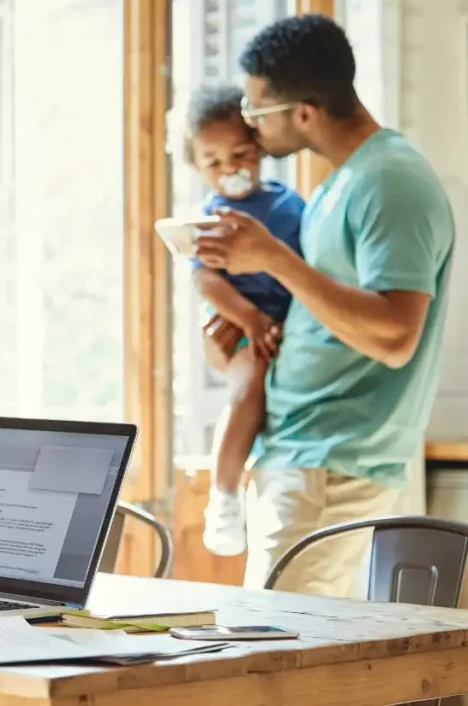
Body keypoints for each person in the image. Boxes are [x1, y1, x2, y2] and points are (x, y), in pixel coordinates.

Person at [195, 14, 454, 597]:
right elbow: (328, 314)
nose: (250, 130)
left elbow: (394, 337)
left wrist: (273, 259)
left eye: (258, 112)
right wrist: (239, 339)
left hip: (330, 460)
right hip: (300, 452)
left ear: (304, 113)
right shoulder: (344, 182)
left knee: (274, 668)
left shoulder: (392, 183)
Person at [182, 83, 304, 557]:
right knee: (248, 388)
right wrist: (251, 320)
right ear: (197, 167)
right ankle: (224, 498)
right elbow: (206, 283)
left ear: (259, 147)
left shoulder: (290, 206)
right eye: (213, 162)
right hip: (242, 328)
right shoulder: (214, 217)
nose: (230, 168)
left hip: (286, 326)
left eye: (240, 153)